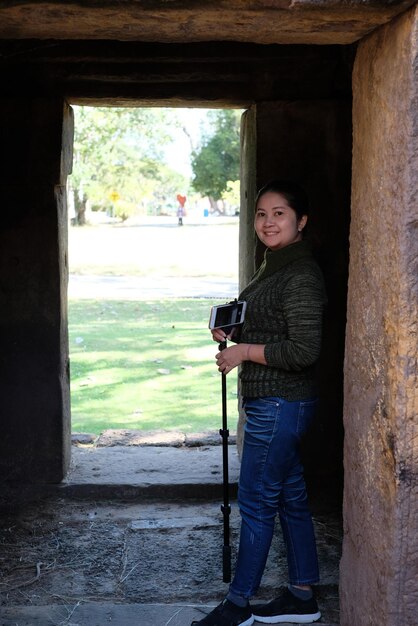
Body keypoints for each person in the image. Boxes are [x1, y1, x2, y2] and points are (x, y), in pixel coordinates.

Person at [192, 180, 327, 626]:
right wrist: (232, 329)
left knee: (255, 500)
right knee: (289, 496)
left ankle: (239, 605)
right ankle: (302, 595)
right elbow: (269, 323)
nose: (268, 222)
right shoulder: (273, 265)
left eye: (280, 213)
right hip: (272, 400)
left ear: (301, 221)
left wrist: (242, 352)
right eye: (261, 214)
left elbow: (304, 350)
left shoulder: (301, 274)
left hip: (279, 403)